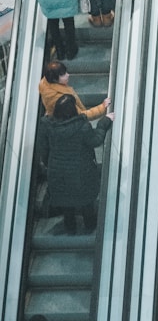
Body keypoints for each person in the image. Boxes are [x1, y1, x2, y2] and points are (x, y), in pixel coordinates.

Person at [37, 94, 114, 234]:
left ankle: (70, 228)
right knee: (85, 201)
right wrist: (104, 122)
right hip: (81, 172)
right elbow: (96, 140)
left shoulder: (48, 127)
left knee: (67, 202)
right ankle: (90, 226)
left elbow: (44, 148)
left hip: (58, 173)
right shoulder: (82, 127)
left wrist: (50, 164)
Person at [39, 61, 110, 119]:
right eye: (63, 75)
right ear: (54, 79)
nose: (68, 75)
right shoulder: (61, 99)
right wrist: (102, 107)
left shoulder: (46, 84)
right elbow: (81, 116)